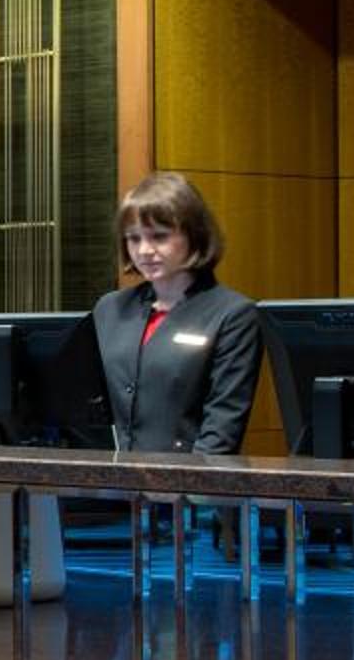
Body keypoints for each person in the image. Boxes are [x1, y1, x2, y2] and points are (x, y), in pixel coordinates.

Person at [91, 172, 260, 454]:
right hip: (107, 478)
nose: (144, 250)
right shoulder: (110, 308)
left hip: (186, 478)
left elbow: (221, 431)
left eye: (159, 236)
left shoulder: (233, 314)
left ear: (194, 235)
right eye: (134, 239)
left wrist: (185, 480)